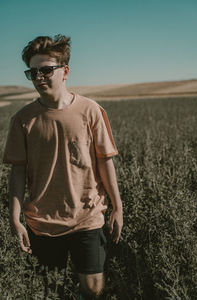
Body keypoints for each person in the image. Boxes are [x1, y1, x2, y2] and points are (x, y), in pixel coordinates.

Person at [3, 34, 123, 300]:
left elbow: (105, 162)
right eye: (32, 72)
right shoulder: (22, 120)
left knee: (92, 289)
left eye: (46, 70)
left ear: (65, 71)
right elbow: (18, 173)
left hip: (87, 216)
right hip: (42, 221)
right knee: (49, 292)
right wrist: (15, 218)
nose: (39, 77)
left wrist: (118, 207)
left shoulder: (91, 110)